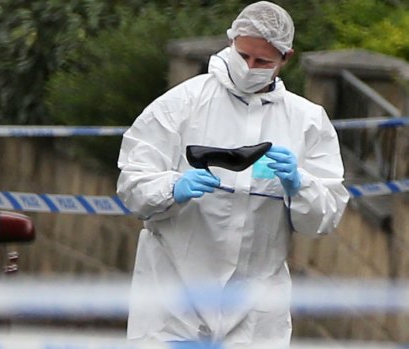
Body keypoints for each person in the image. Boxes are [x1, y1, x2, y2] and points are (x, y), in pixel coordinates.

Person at [116, 1, 349, 347]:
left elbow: (325, 217)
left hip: (256, 312)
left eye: (263, 62)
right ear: (231, 42)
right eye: (243, 55)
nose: (249, 67)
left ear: (286, 58)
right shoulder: (181, 104)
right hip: (173, 299)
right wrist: (172, 187)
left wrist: (301, 185)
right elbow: (131, 183)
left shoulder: (307, 122)